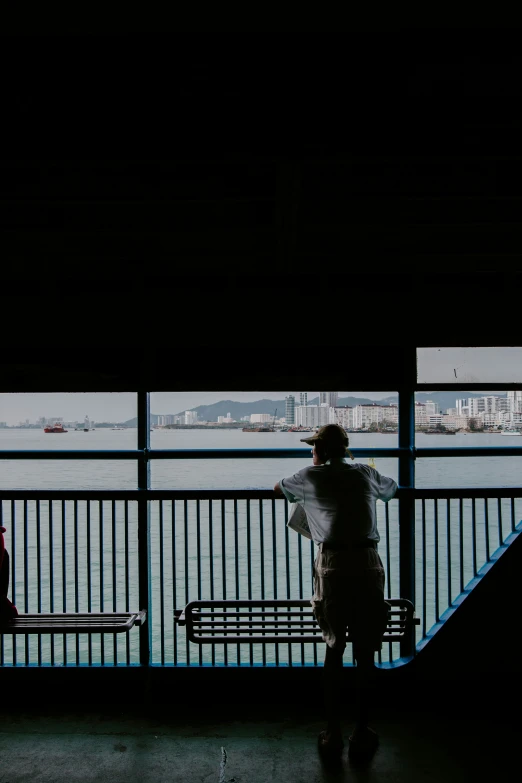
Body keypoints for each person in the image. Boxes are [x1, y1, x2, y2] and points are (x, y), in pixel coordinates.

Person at [273, 423, 397, 759]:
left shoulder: (309, 476)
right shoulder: (365, 473)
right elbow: (392, 490)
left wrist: (313, 476)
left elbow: (277, 487)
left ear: (320, 451)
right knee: (366, 650)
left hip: (333, 562)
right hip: (368, 560)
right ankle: (362, 728)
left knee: (334, 646)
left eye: (313, 448)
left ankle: (333, 731)